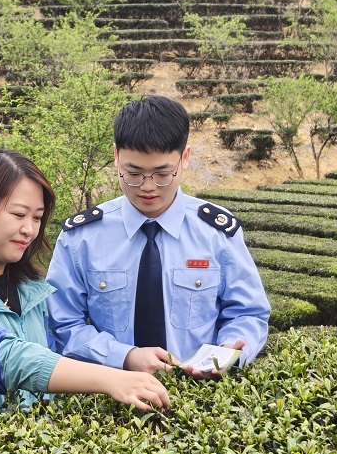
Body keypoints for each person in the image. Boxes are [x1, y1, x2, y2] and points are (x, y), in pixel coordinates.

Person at [0, 148, 170, 413]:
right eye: (19, 215)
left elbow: (62, 356)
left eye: (37, 217)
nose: (29, 230)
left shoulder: (30, 288)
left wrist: (129, 357)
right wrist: (112, 380)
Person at [46, 96, 271, 379]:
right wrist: (124, 357)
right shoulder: (81, 239)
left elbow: (248, 313)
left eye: (163, 173)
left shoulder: (216, 234)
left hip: (203, 399)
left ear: (184, 158)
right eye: (133, 173)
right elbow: (62, 324)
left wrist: (227, 352)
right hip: (108, 399)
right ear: (116, 157)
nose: (148, 187)